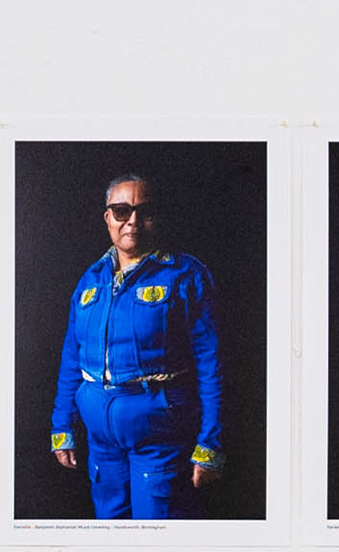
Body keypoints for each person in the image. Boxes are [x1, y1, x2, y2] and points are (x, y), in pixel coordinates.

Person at [46, 174, 225, 519]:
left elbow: (211, 362)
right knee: (110, 533)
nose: (132, 221)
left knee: (157, 537)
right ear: (107, 217)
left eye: (144, 211)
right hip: (101, 443)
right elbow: (72, 359)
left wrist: (210, 442)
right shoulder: (90, 280)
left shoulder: (185, 275)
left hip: (160, 437)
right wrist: (62, 425)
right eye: (121, 211)